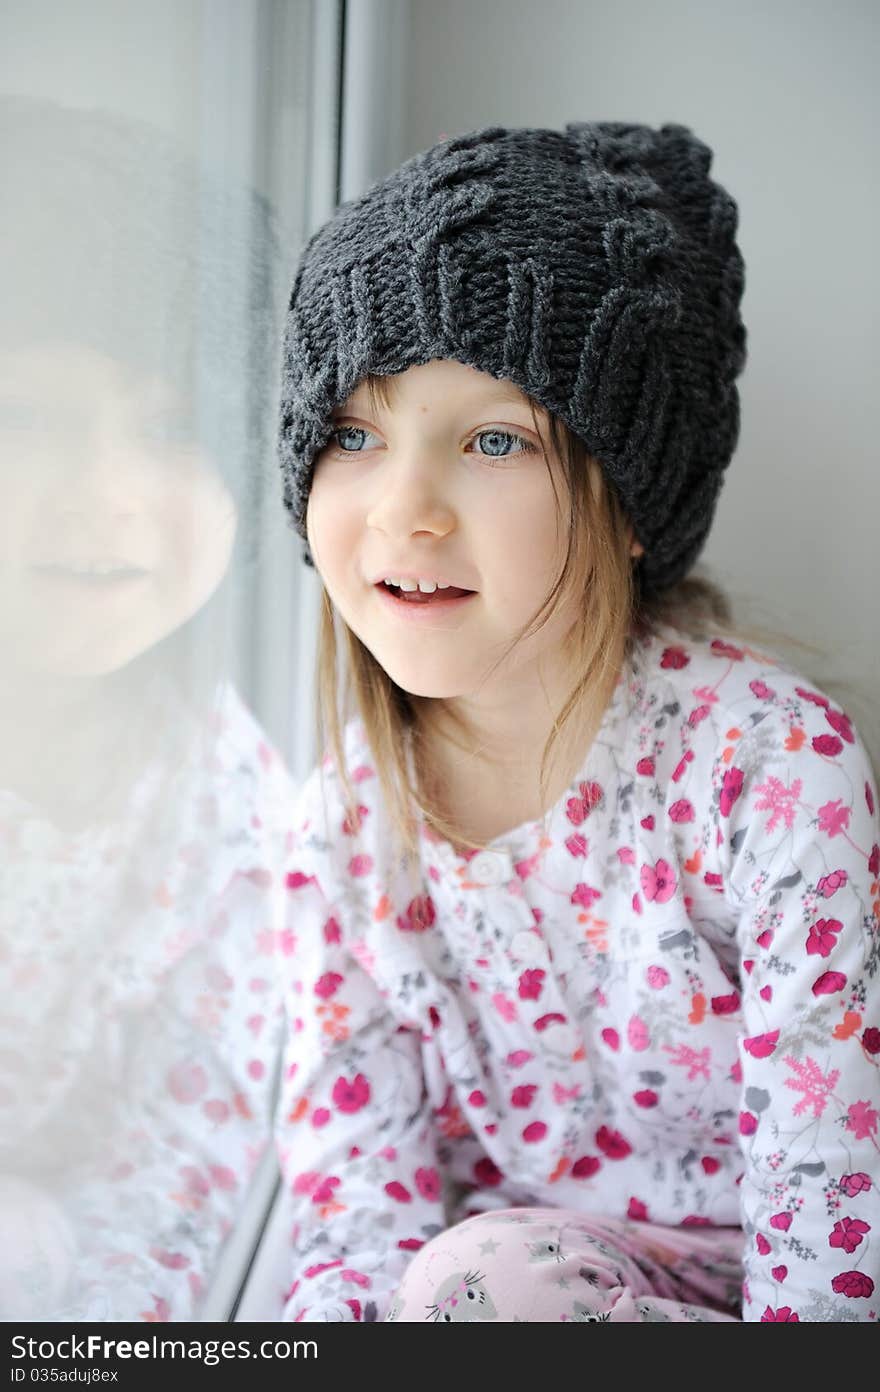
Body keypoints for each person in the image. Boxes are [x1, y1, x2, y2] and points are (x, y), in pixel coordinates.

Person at [274, 121, 880, 1322]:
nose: (405, 512)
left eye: (494, 439)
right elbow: (354, 1208)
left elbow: (826, 1204)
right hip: (498, 1283)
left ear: (632, 498)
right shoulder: (348, 819)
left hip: (742, 1278)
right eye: (354, 434)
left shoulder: (766, 769)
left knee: (488, 1280)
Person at [0, 96, 291, 1320]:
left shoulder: (224, 793)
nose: (105, 496)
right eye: (28, 420)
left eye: (173, 429)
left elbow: (182, 1180)